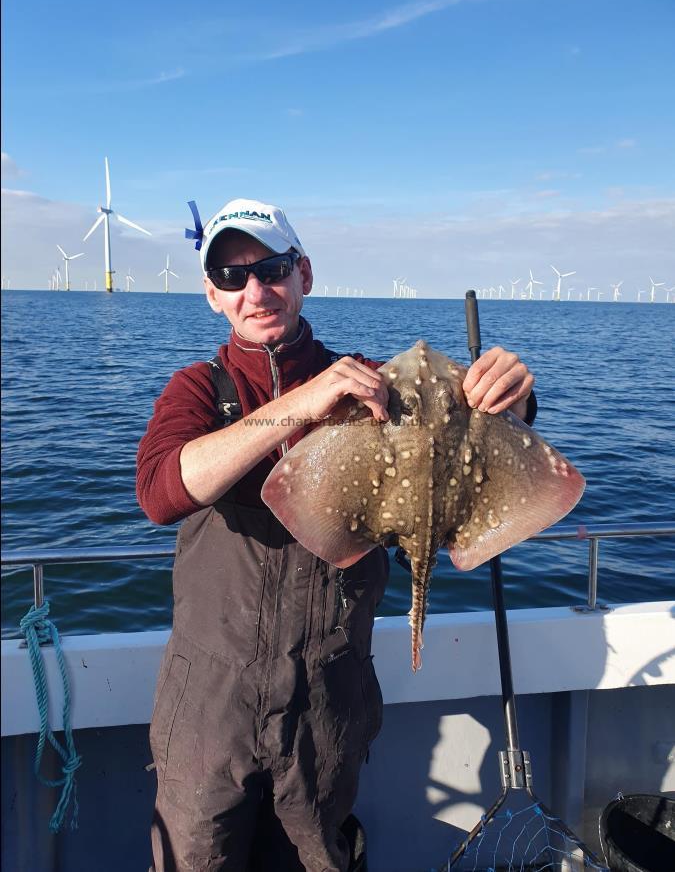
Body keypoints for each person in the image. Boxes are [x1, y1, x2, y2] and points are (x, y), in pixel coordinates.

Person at [136, 197, 536, 872]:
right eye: (233, 278)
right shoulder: (198, 389)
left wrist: (514, 400)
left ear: (304, 276)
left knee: (319, 857)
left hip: (327, 699)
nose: (255, 290)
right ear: (213, 296)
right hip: (209, 704)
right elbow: (162, 492)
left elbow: (456, 429)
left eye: (271, 268)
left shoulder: (372, 386)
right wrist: (300, 404)